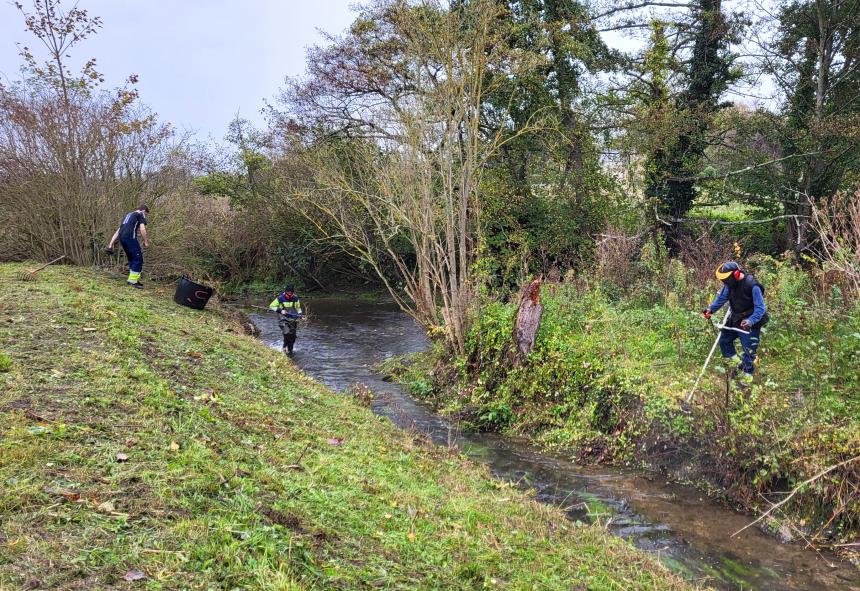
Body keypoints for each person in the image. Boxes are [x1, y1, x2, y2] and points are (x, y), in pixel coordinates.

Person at [702, 261, 769, 384]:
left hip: (751, 321)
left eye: (726, 279)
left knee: (748, 350)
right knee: (724, 341)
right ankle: (737, 365)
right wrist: (710, 309)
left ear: (736, 274)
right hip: (736, 318)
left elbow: (760, 308)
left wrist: (750, 321)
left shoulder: (752, 286)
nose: (724, 283)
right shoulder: (729, 285)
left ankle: (746, 378)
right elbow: (722, 298)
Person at [107, 205, 150, 289]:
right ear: (143, 211)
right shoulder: (140, 214)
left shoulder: (127, 215)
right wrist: (146, 241)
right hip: (130, 238)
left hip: (122, 239)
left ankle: (133, 280)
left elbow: (118, 231)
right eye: (146, 214)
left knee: (132, 258)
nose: (145, 216)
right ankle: (132, 282)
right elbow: (142, 229)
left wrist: (110, 244)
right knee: (138, 259)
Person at [269, 285, 304, 356]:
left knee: (293, 336)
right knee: (287, 333)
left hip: (293, 319)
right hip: (283, 319)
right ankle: (284, 347)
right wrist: (281, 310)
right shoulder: (280, 298)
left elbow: (298, 308)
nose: (290, 294)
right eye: (288, 292)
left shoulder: (296, 298)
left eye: (291, 292)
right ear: (285, 292)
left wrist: (300, 315)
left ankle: (290, 351)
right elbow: (271, 306)